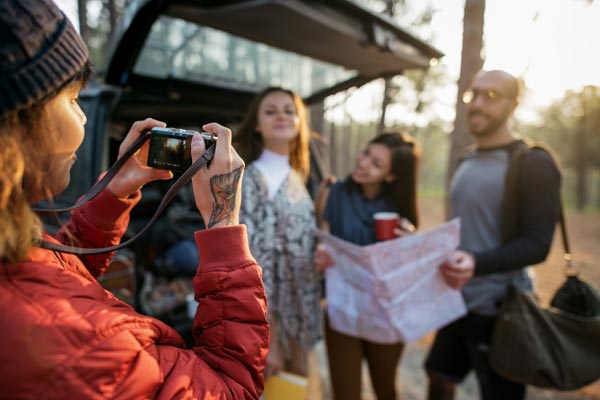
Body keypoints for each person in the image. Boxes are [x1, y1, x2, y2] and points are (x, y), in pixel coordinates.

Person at [0, 1, 268, 398]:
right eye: (74, 100)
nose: (86, 118)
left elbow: (54, 277)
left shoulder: (14, 257)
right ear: (18, 127)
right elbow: (232, 388)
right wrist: (223, 223)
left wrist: (113, 194)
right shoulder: (84, 349)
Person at [424, 70, 561, 400]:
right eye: (475, 94)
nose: (479, 104)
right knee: (439, 377)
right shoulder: (466, 159)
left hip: (501, 310)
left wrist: (475, 262)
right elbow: (465, 230)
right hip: (457, 301)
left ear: (513, 105)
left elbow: (537, 245)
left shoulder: (533, 162)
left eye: (492, 96)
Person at [313, 131, 473, 400]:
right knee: (345, 394)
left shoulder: (398, 209)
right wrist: (320, 255)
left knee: (385, 390)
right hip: (343, 309)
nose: (363, 163)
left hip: (385, 312)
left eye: (376, 163)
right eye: (366, 154)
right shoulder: (332, 192)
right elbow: (321, 238)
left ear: (391, 176)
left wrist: (411, 243)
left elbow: (410, 272)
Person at [234, 87, 322, 379]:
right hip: (275, 323)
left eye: (289, 110)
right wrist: (268, 338)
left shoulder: (300, 176)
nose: (282, 116)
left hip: (301, 313)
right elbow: (255, 262)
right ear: (257, 125)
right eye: (271, 111)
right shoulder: (252, 179)